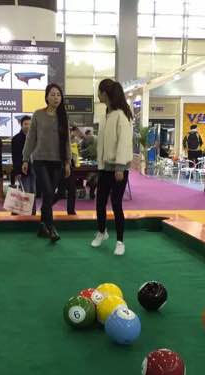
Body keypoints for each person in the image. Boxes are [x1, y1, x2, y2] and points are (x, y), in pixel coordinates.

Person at [22, 83, 71, 243]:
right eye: (53, 94)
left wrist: (67, 162)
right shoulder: (38, 114)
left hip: (57, 161)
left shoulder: (63, 117)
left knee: (49, 195)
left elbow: (67, 141)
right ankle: (51, 228)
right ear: (46, 97)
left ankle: (42, 225)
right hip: (40, 160)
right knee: (48, 192)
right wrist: (25, 158)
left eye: (58, 95)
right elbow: (31, 138)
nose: (56, 97)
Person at [90, 79, 134, 256]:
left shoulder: (121, 115)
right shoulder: (105, 115)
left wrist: (120, 167)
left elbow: (124, 142)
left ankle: (120, 241)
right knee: (100, 201)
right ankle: (102, 232)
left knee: (116, 203)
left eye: (99, 92)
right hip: (104, 168)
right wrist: (100, 165)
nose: (98, 95)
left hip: (119, 169)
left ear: (105, 94)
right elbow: (102, 144)